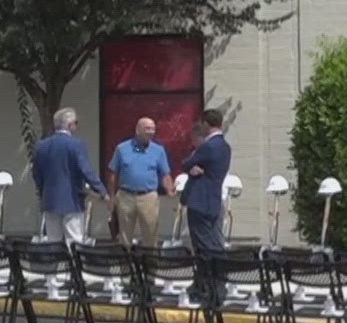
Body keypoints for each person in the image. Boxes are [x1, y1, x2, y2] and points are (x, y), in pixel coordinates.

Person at [178, 109, 232, 302]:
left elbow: (186, 163)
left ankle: (212, 285)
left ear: (206, 125)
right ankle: (204, 283)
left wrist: (192, 164)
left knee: (204, 247)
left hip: (200, 202)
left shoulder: (209, 146)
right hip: (213, 201)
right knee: (212, 243)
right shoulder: (225, 146)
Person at [32, 107, 106, 243]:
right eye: (76, 123)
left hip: (50, 200)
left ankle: (57, 264)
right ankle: (72, 264)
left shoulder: (41, 146)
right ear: (70, 125)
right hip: (72, 200)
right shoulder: (76, 145)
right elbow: (86, 170)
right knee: (74, 240)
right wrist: (101, 190)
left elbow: (36, 173)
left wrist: (43, 191)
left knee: (53, 240)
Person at [107, 118, 173, 246]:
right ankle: (126, 263)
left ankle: (150, 263)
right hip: (126, 196)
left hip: (148, 196)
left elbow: (165, 174)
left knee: (151, 233)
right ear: (137, 130)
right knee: (124, 235)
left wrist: (169, 190)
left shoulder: (158, 150)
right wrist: (111, 197)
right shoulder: (122, 148)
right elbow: (113, 173)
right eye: (147, 129)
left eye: (153, 129)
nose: (151, 132)